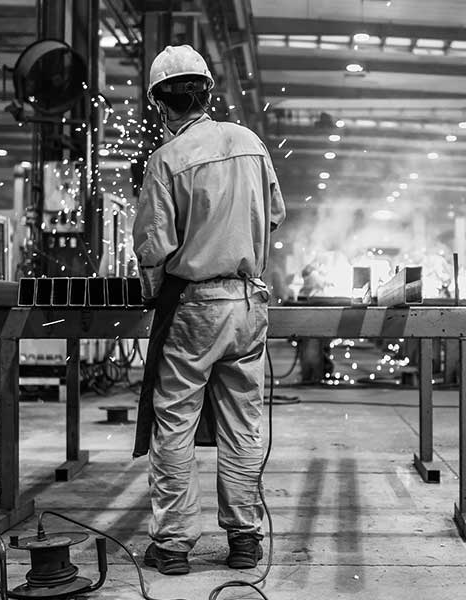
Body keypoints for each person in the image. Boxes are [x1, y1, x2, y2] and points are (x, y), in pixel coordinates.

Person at [131, 44, 286, 577]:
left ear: (159, 104)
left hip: (194, 308)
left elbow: (154, 248)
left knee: (174, 420)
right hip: (248, 302)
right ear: (208, 93)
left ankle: (173, 546)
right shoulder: (249, 142)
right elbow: (275, 216)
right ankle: (244, 539)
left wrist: (154, 289)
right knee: (242, 420)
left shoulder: (166, 160)